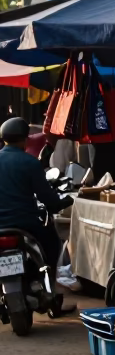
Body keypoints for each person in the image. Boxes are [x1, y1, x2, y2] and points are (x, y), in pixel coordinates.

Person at [0, 117, 72, 276]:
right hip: (25, 224)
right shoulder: (30, 163)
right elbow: (47, 198)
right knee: (52, 244)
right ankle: (49, 285)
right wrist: (62, 202)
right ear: (25, 140)